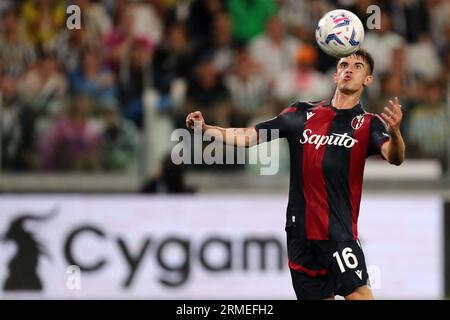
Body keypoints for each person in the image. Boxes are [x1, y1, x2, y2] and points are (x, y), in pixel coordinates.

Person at [186, 49, 405, 300]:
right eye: (344, 64)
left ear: (368, 80)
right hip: (299, 233)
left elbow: (395, 157)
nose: (349, 69)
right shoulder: (300, 114)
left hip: (338, 233)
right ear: (335, 75)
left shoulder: (368, 123)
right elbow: (250, 136)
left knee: (360, 296)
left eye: (358, 66)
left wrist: (396, 133)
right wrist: (206, 129)